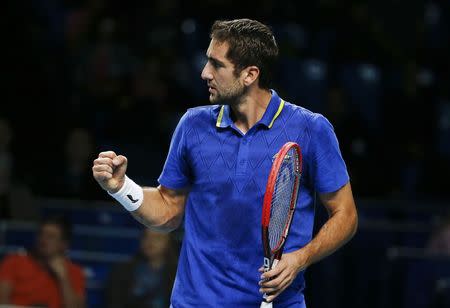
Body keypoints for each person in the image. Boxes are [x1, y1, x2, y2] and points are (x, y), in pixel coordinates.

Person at [92, 18, 358, 307]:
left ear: (249, 74)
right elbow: (168, 212)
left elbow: (346, 215)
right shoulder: (192, 125)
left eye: (216, 65)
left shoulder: (311, 129)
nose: (205, 72)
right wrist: (121, 188)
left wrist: (300, 259)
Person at [0, 216, 86, 308]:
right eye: (41, 234)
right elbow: (2, 301)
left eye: (51, 237)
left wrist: (63, 278)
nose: (43, 240)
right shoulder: (13, 262)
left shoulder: (75, 272)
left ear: (64, 244)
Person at [105, 228, 178, 308]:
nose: (150, 242)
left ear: (168, 242)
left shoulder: (177, 275)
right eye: (146, 237)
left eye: (157, 238)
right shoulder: (122, 271)